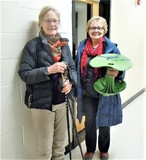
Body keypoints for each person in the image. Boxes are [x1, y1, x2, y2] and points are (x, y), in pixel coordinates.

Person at [18, 5, 77, 160]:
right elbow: (24, 74)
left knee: (59, 148)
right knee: (44, 151)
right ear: (41, 23)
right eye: (48, 20)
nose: (52, 24)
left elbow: (71, 67)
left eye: (55, 21)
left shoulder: (63, 44)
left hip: (62, 102)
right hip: (42, 105)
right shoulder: (33, 45)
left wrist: (70, 82)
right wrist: (49, 70)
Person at [76, 16, 125, 160]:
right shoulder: (81, 48)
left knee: (104, 121)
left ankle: (104, 149)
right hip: (88, 92)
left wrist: (118, 72)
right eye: (92, 27)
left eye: (99, 27)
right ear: (88, 30)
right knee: (90, 121)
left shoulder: (112, 48)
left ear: (104, 30)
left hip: (105, 92)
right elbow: (77, 67)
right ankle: (90, 149)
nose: (96, 30)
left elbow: (121, 66)